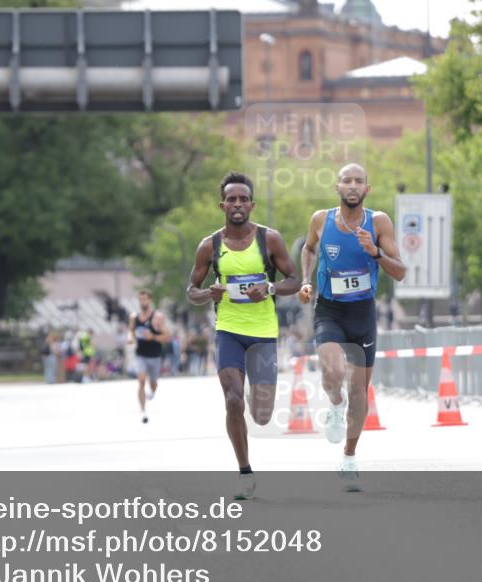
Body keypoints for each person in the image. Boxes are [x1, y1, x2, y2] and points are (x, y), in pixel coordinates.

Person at [186, 171, 301, 500]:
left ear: (252, 203)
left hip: (263, 333)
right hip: (229, 332)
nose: (237, 204)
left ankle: (257, 407)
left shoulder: (270, 239)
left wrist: (270, 287)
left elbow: (294, 280)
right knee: (233, 399)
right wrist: (210, 293)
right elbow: (190, 290)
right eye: (231, 199)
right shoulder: (210, 246)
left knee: (261, 415)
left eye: (243, 199)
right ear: (222, 205)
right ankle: (245, 471)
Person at [298, 163, 406, 491]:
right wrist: (305, 281)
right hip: (330, 310)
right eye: (347, 180)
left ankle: (349, 456)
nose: (353, 185)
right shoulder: (321, 219)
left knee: (360, 391)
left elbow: (399, 271)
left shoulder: (379, 222)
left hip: (362, 312)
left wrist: (374, 253)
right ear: (338, 187)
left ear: (367, 190)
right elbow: (309, 248)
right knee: (332, 373)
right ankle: (334, 403)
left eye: (359, 181)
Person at [127, 290, 171, 423]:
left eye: (145, 299)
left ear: (150, 301)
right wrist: (130, 338)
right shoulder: (134, 317)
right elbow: (130, 331)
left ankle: (151, 392)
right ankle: (143, 410)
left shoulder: (157, 317)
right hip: (140, 354)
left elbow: (166, 337)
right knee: (141, 380)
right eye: (141, 300)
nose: (143, 302)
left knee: (153, 383)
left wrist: (153, 336)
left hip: (155, 356)